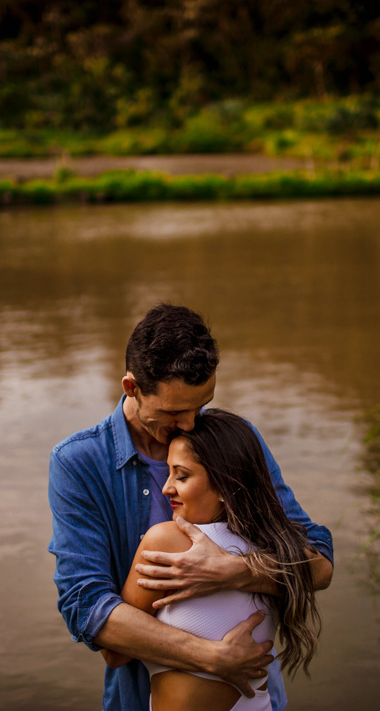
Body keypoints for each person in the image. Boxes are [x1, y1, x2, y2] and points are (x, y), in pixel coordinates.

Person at [48, 304, 333, 711]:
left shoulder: (229, 440)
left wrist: (233, 570)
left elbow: (320, 563)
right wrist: (211, 657)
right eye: (173, 412)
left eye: (201, 405)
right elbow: (87, 606)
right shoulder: (79, 462)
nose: (190, 423)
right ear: (132, 388)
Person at [100, 409, 322, 711]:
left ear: (223, 485)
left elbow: (115, 653)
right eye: (169, 473)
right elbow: (320, 567)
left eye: (182, 475)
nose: (166, 487)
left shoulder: (167, 541)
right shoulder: (276, 544)